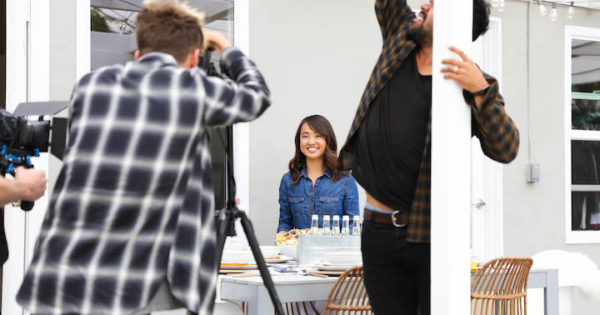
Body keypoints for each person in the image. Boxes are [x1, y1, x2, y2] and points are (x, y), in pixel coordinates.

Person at [16, 1, 270, 314]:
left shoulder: (89, 86)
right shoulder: (191, 87)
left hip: (64, 268)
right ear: (193, 58)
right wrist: (225, 47)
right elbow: (257, 96)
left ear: (138, 54)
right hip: (131, 277)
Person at [338, 1, 519, 314]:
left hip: (431, 236)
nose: (422, 5)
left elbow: (506, 147)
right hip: (378, 230)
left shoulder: (472, 83)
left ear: (457, 20)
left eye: (434, 4)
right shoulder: (400, 40)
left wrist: (479, 90)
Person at [277, 115, 359, 235]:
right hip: (299, 251)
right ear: (298, 141)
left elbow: (353, 225)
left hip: (334, 251)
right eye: (305, 136)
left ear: (327, 140)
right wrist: (282, 235)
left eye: (318, 136)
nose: (311, 142)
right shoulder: (288, 180)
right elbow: (285, 222)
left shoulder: (345, 179)